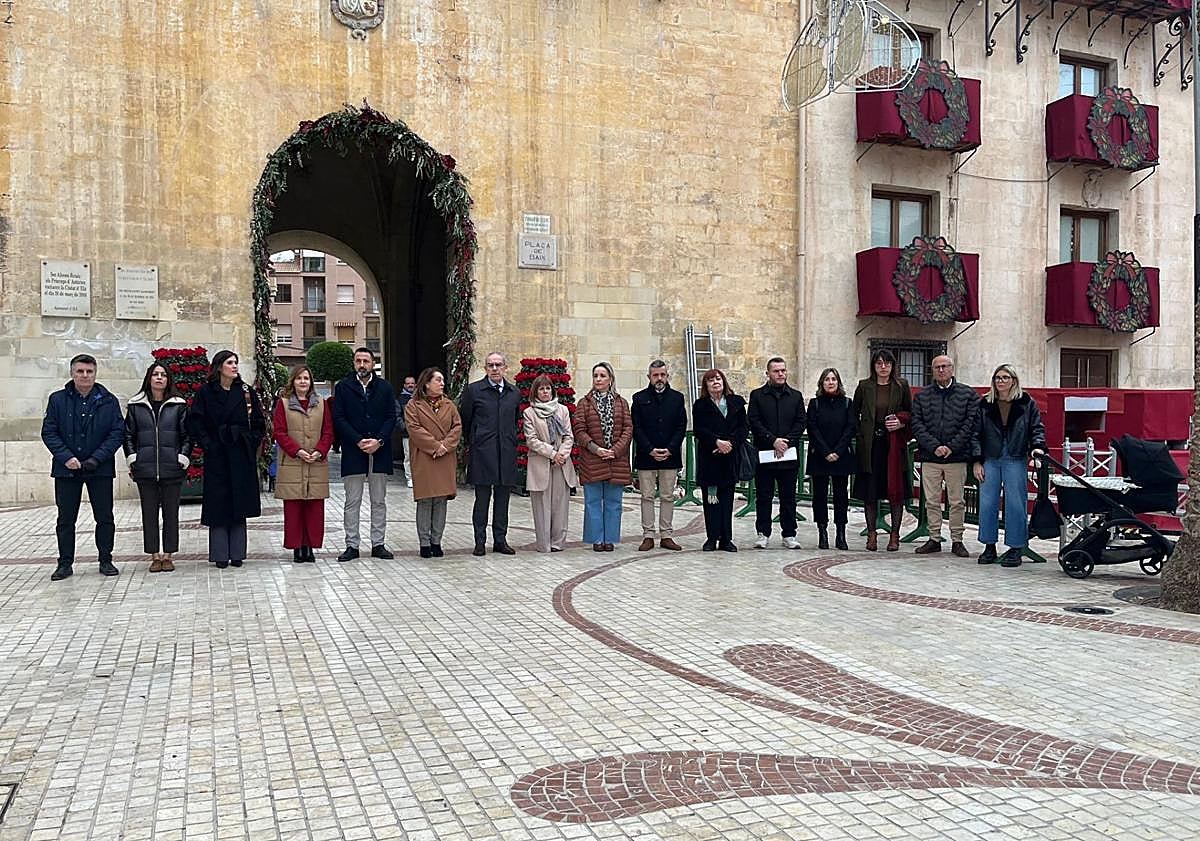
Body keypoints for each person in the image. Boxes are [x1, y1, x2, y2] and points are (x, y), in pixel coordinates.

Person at [40, 354, 126, 581]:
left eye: (89, 371)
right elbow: (49, 431)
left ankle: (106, 559)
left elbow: (117, 432)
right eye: (80, 371)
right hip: (67, 469)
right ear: (72, 373)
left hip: (100, 468)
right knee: (66, 519)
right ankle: (64, 563)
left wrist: (97, 458)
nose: (85, 376)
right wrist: (66, 457)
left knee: (105, 517)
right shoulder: (57, 400)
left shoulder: (109, 400)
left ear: (95, 373)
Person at [186, 350, 266, 569]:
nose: (234, 366)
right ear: (219, 366)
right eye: (230, 363)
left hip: (241, 454)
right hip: (217, 455)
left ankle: (238, 553)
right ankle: (220, 554)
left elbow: (259, 422)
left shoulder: (246, 392)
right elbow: (196, 422)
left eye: (236, 363)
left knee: (239, 503)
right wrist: (209, 445)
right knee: (219, 504)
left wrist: (250, 441)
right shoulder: (205, 393)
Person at [975, 364, 1046, 568]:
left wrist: (1038, 448)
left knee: (1016, 503)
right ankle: (989, 546)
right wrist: (976, 461)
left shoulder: (1026, 402)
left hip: (1015, 456)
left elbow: (1036, 428)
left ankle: (1016, 547)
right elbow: (975, 434)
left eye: (1005, 377)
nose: (1001, 381)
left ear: (1013, 380)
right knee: (987, 503)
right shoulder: (985, 404)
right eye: (997, 377)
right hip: (990, 457)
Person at [124, 361, 191, 573]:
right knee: (149, 514)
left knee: (171, 514)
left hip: (172, 467)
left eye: (163, 374)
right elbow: (127, 435)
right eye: (155, 374)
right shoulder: (136, 405)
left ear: (168, 379)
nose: (159, 378)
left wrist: (182, 457)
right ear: (149, 378)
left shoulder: (178, 405)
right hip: (145, 468)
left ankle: (169, 555)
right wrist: (133, 458)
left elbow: (187, 435)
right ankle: (154, 555)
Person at [911, 355, 980, 558]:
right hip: (930, 457)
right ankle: (934, 538)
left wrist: (951, 446)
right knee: (931, 500)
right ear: (932, 370)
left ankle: (957, 540)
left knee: (957, 501)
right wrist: (934, 447)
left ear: (952, 368)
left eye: (945, 366)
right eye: (937, 367)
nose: (941, 370)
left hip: (956, 457)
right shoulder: (922, 396)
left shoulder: (968, 395)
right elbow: (917, 424)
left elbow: (971, 424)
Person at [332, 347, 396, 561]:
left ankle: (378, 543)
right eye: (358, 360)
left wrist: (379, 441)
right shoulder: (343, 387)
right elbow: (339, 418)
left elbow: (391, 417)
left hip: (380, 450)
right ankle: (352, 545)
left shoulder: (385, 388)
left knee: (379, 500)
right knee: (352, 500)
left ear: (372, 363)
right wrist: (357, 440)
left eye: (365, 361)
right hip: (353, 450)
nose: (362, 364)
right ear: (354, 363)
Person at [851, 349, 913, 552]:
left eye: (887, 363)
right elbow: (854, 414)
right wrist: (861, 435)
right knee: (871, 493)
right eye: (879, 363)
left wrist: (901, 423)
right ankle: (872, 534)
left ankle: (894, 535)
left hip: (893, 445)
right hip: (871, 445)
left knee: (895, 492)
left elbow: (910, 412)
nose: (883, 367)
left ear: (893, 365)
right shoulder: (864, 386)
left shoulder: (901, 386)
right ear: (873, 366)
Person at [460, 352, 521, 556]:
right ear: (485, 368)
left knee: (503, 500)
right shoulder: (474, 391)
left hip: (506, 452)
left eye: (498, 365)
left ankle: (500, 540)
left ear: (505, 367)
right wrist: (476, 440)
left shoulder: (514, 392)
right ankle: (479, 541)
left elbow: (515, 420)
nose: (494, 369)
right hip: (482, 453)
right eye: (490, 365)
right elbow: (466, 420)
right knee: (482, 499)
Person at [274, 365, 333, 563]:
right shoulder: (283, 404)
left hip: (316, 462)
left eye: (306, 378)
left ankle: (310, 546)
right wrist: (297, 451)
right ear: (293, 381)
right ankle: (297, 547)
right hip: (292, 462)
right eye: (299, 378)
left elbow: (328, 432)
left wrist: (319, 451)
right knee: (294, 508)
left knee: (314, 508)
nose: (303, 382)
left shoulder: (322, 404)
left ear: (311, 381)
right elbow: (279, 432)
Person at [573, 362, 632, 551]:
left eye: (602, 376)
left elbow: (628, 429)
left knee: (614, 502)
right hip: (593, 459)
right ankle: (596, 539)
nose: (598, 379)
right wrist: (595, 449)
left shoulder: (621, 403)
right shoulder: (584, 403)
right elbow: (579, 430)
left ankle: (610, 539)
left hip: (617, 459)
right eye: (595, 376)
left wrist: (616, 450)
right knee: (593, 502)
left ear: (610, 379)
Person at [748, 357, 806, 549]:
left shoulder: (796, 396)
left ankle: (789, 534)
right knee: (764, 495)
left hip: (788, 455)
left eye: (783, 370)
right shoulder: (757, 395)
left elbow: (800, 422)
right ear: (768, 374)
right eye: (776, 371)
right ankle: (763, 533)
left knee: (788, 496)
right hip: (765, 454)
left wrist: (786, 442)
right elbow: (754, 422)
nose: (780, 374)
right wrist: (772, 440)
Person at [405, 367, 462, 558]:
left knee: (440, 500)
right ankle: (424, 542)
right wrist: (435, 446)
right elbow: (414, 429)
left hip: (445, 457)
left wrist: (445, 446)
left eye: (443, 380)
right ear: (427, 383)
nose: (442, 383)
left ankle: (436, 541)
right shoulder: (414, 405)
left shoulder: (449, 405)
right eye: (438, 380)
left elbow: (457, 427)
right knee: (425, 500)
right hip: (424, 457)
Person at [631, 360, 687, 551]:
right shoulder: (639, 398)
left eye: (662, 375)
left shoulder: (677, 398)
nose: (659, 379)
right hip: (647, 456)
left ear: (667, 376)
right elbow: (636, 427)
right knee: (646, 496)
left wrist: (670, 448)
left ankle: (666, 535)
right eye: (655, 375)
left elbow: (681, 426)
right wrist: (649, 449)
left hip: (670, 456)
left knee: (667, 496)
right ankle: (648, 534)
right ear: (649, 377)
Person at [691, 368, 747, 552]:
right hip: (710, 457)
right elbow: (700, 429)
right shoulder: (700, 405)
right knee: (711, 501)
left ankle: (726, 539)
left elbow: (742, 429)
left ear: (724, 382)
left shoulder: (736, 402)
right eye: (711, 380)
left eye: (718, 379)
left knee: (727, 500)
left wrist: (730, 443)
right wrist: (716, 442)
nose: (715, 382)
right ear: (706, 385)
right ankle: (711, 537)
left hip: (729, 458)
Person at [522, 374, 579, 552]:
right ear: (535, 392)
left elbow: (569, 435)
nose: (545, 392)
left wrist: (561, 454)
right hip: (541, 465)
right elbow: (531, 440)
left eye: (548, 388)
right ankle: (544, 544)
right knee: (542, 507)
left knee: (560, 507)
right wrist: (552, 454)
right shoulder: (529, 413)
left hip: (561, 465)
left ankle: (558, 543)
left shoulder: (562, 410)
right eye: (541, 388)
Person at [806, 367, 855, 551]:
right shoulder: (815, 403)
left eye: (833, 379)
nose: (830, 382)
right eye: (827, 379)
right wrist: (826, 451)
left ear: (838, 382)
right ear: (821, 383)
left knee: (841, 497)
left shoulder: (847, 403)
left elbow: (850, 428)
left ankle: (841, 534)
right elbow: (812, 428)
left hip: (841, 456)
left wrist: (838, 451)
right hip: (820, 456)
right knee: (819, 496)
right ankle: (822, 533)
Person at [397, 374, 416, 487]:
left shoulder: (420, 398)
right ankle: (409, 478)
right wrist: (404, 427)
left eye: (412, 383)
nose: (410, 385)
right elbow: (397, 415)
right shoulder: (400, 399)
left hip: (420, 434)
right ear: (404, 385)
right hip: (407, 434)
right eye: (408, 383)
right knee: (408, 456)